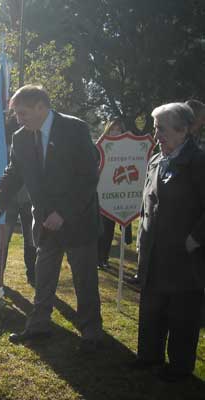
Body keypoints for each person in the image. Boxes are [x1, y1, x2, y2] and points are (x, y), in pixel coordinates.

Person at [0, 84, 103, 351]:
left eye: (22, 113)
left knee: (85, 280)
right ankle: (38, 326)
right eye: (16, 115)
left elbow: (88, 177)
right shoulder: (21, 137)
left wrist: (64, 213)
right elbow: (12, 174)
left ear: (40, 106)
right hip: (45, 223)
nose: (18, 120)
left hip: (78, 220)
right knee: (43, 276)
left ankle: (91, 333)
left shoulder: (75, 129)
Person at [134, 102, 205, 382]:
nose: (156, 135)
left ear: (183, 130)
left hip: (185, 254)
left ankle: (178, 368)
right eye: (155, 129)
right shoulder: (155, 159)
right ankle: (148, 356)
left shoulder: (198, 162)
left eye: (161, 129)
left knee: (182, 313)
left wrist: (194, 239)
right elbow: (146, 207)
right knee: (152, 307)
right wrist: (142, 241)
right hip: (155, 251)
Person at [0, 111, 36, 289]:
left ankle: (33, 275)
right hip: (9, 200)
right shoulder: (1, 144)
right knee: (2, 239)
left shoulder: (31, 138)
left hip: (29, 198)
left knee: (31, 238)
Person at [97, 118, 133, 270]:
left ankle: (103, 258)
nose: (116, 132)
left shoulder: (127, 149)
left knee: (109, 229)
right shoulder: (100, 147)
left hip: (118, 193)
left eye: (119, 130)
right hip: (101, 192)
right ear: (108, 130)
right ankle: (98, 258)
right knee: (101, 228)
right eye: (113, 129)